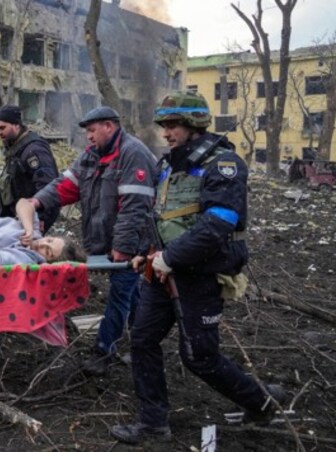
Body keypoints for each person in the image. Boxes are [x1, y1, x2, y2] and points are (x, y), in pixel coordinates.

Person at [110, 91, 287, 444]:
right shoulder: (169, 165)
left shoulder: (223, 165)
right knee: (143, 339)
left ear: (193, 125)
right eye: (164, 125)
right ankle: (153, 423)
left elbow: (218, 223)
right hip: (161, 273)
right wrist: (146, 252)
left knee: (199, 358)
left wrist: (170, 258)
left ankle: (262, 403)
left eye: (173, 125)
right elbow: (159, 216)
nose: (166, 132)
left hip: (199, 276)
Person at [19, 106, 157, 376]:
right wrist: (37, 201)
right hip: (105, 239)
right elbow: (66, 185)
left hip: (134, 243)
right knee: (133, 293)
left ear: (109, 126)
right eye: (87, 132)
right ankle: (145, 340)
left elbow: (134, 207)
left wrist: (123, 248)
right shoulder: (91, 156)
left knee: (120, 294)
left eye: (92, 131)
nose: (89, 137)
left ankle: (103, 351)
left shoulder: (134, 154)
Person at [0, 105, 61, 232]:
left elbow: (47, 186)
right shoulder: (15, 147)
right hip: (18, 215)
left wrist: (40, 218)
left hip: (32, 215)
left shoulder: (33, 150)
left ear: (16, 125)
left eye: (2, 128)